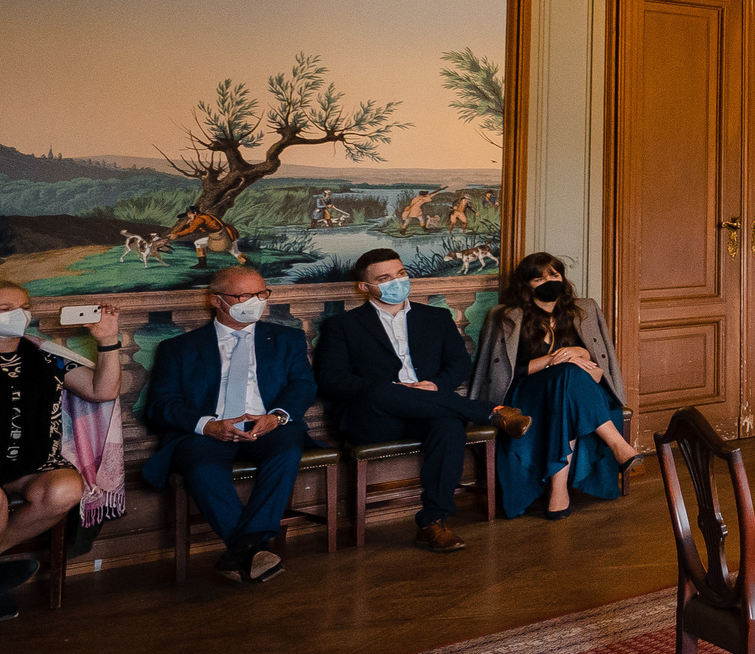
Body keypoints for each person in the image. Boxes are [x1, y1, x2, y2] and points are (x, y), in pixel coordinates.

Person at [316, 249, 529, 551]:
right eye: (384, 278)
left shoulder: (436, 317)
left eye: (400, 273)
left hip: (428, 409)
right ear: (364, 287)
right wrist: (393, 389)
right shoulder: (342, 326)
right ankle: (489, 412)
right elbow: (330, 378)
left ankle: (433, 523)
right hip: (373, 419)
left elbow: (458, 364)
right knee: (382, 390)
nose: (397, 282)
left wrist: (434, 385)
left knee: (448, 425)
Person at [139, 266, 312, 584]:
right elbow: (162, 406)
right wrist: (207, 425)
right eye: (245, 295)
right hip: (209, 431)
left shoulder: (287, 339)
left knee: (287, 451)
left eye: (262, 294)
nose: (257, 301)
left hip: (268, 425)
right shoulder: (178, 349)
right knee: (202, 467)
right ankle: (252, 550)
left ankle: (241, 551)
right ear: (216, 300)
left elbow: (302, 385)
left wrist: (275, 416)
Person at [469, 253, 638, 519]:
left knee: (567, 388)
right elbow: (508, 371)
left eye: (554, 275)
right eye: (539, 278)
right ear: (527, 285)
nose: (549, 281)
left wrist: (578, 353)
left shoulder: (584, 310)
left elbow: (598, 359)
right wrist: (552, 360)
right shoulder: (507, 316)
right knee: (567, 376)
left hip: (572, 391)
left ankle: (558, 492)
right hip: (527, 392)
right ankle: (619, 446)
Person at [0, 283, 124, 617]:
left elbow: (103, 391)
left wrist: (107, 340)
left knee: (65, 489)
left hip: (36, 461)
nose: (15, 314)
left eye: (22, 306)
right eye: (3, 308)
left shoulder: (45, 356)